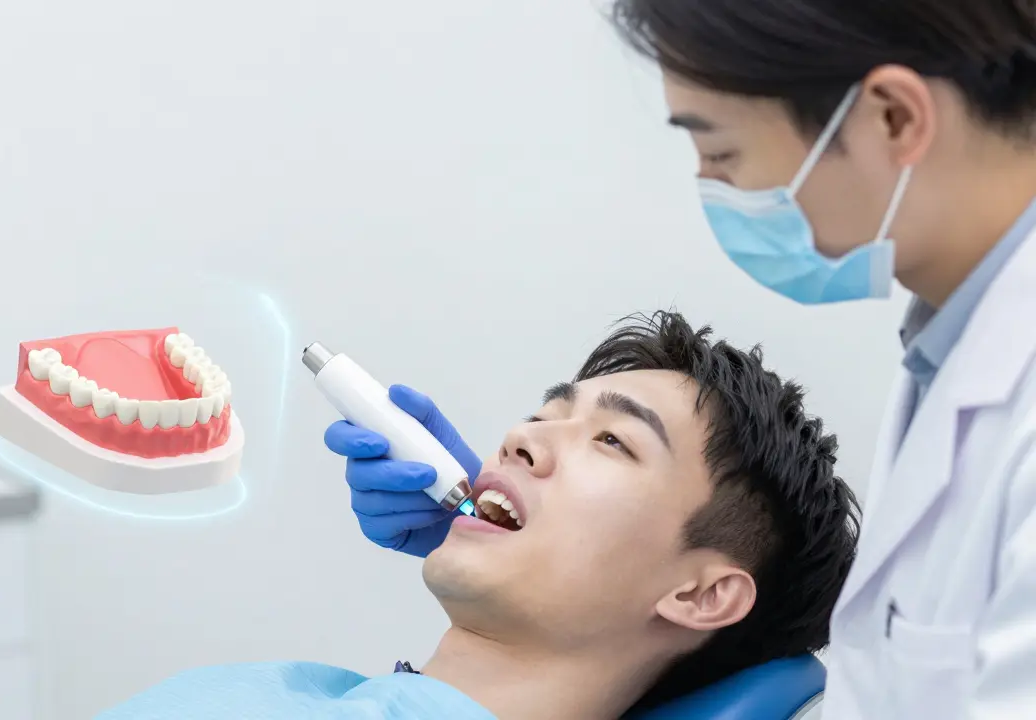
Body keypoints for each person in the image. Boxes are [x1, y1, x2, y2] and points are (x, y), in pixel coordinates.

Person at [334, 2, 1036, 717]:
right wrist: (507, 545)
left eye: (722, 152)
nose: (520, 439)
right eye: (544, 416)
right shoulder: (951, 360)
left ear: (893, 118)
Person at [101, 311, 859, 719]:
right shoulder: (293, 690)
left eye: (612, 441)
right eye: (546, 413)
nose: (521, 438)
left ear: (700, 593)